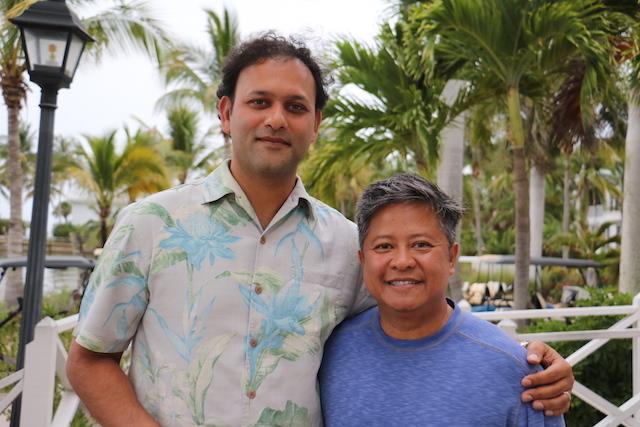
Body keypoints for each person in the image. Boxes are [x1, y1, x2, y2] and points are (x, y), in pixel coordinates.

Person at [67, 34, 573, 426]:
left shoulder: (346, 244)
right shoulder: (151, 225)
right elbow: (89, 360)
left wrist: (529, 362)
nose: (276, 119)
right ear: (225, 112)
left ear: (316, 125)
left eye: (295, 107)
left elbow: (414, 320)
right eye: (259, 102)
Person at [319, 173, 566, 426]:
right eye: (384, 246)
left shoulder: (518, 373)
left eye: (421, 244)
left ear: (451, 257)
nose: (402, 261)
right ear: (363, 260)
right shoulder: (327, 353)